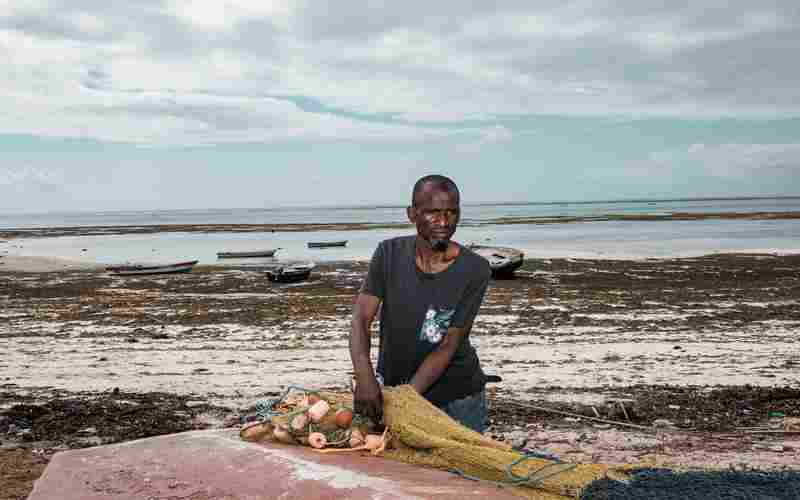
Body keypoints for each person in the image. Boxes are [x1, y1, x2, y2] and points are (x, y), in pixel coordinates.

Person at [349, 174, 492, 433]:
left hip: (457, 400)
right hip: (394, 389)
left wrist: (408, 398)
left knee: (455, 473)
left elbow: (449, 344)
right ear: (412, 214)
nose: (444, 222)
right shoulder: (388, 254)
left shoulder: (476, 269)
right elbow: (361, 319)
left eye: (452, 213)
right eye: (433, 213)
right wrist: (364, 376)